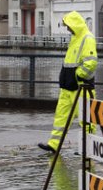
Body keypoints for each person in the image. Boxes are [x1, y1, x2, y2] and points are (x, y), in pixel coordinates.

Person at [39, 11, 98, 153]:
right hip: (68, 87)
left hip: (81, 87)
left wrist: (78, 76)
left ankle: (87, 148)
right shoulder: (75, 38)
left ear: (75, 24)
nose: (67, 29)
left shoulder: (87, 38)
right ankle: (54, 144)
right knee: (61, 117)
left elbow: (91, 63)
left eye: (68, 25)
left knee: (86, 119)